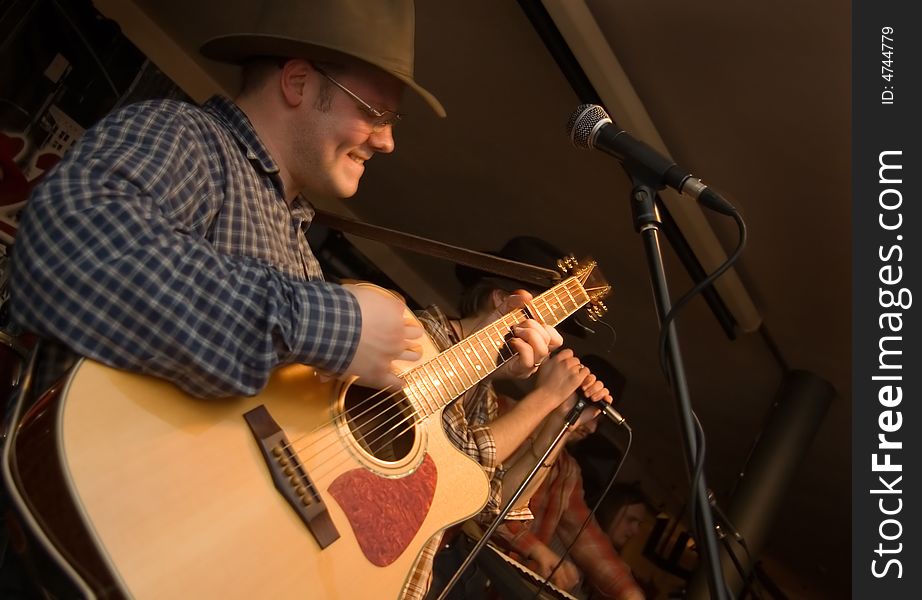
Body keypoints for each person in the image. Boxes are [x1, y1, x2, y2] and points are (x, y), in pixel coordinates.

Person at [5, 2, 559, 599]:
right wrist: (337, 326)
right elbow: (71, 250)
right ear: (297, 82)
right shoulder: (190, 140)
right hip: (74, 528)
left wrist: (488, 346)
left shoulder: (302, 258)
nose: (390, 140)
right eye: (375, 111)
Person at [420, 236, 613, 600]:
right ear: (501, 301)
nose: (551, 341)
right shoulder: (424, 337)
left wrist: (558, 421)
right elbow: (456, 463)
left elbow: (490, 506)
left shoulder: (484, 395)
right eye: (546, 323)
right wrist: (545, 396)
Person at [494, 355, 647, 600]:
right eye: (591, 412)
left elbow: (587, 538)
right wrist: (533, 548)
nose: (592, 428)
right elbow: (483, 503)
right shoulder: (501, 411)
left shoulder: (567, 471)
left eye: (600, 420)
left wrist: (630, 594)